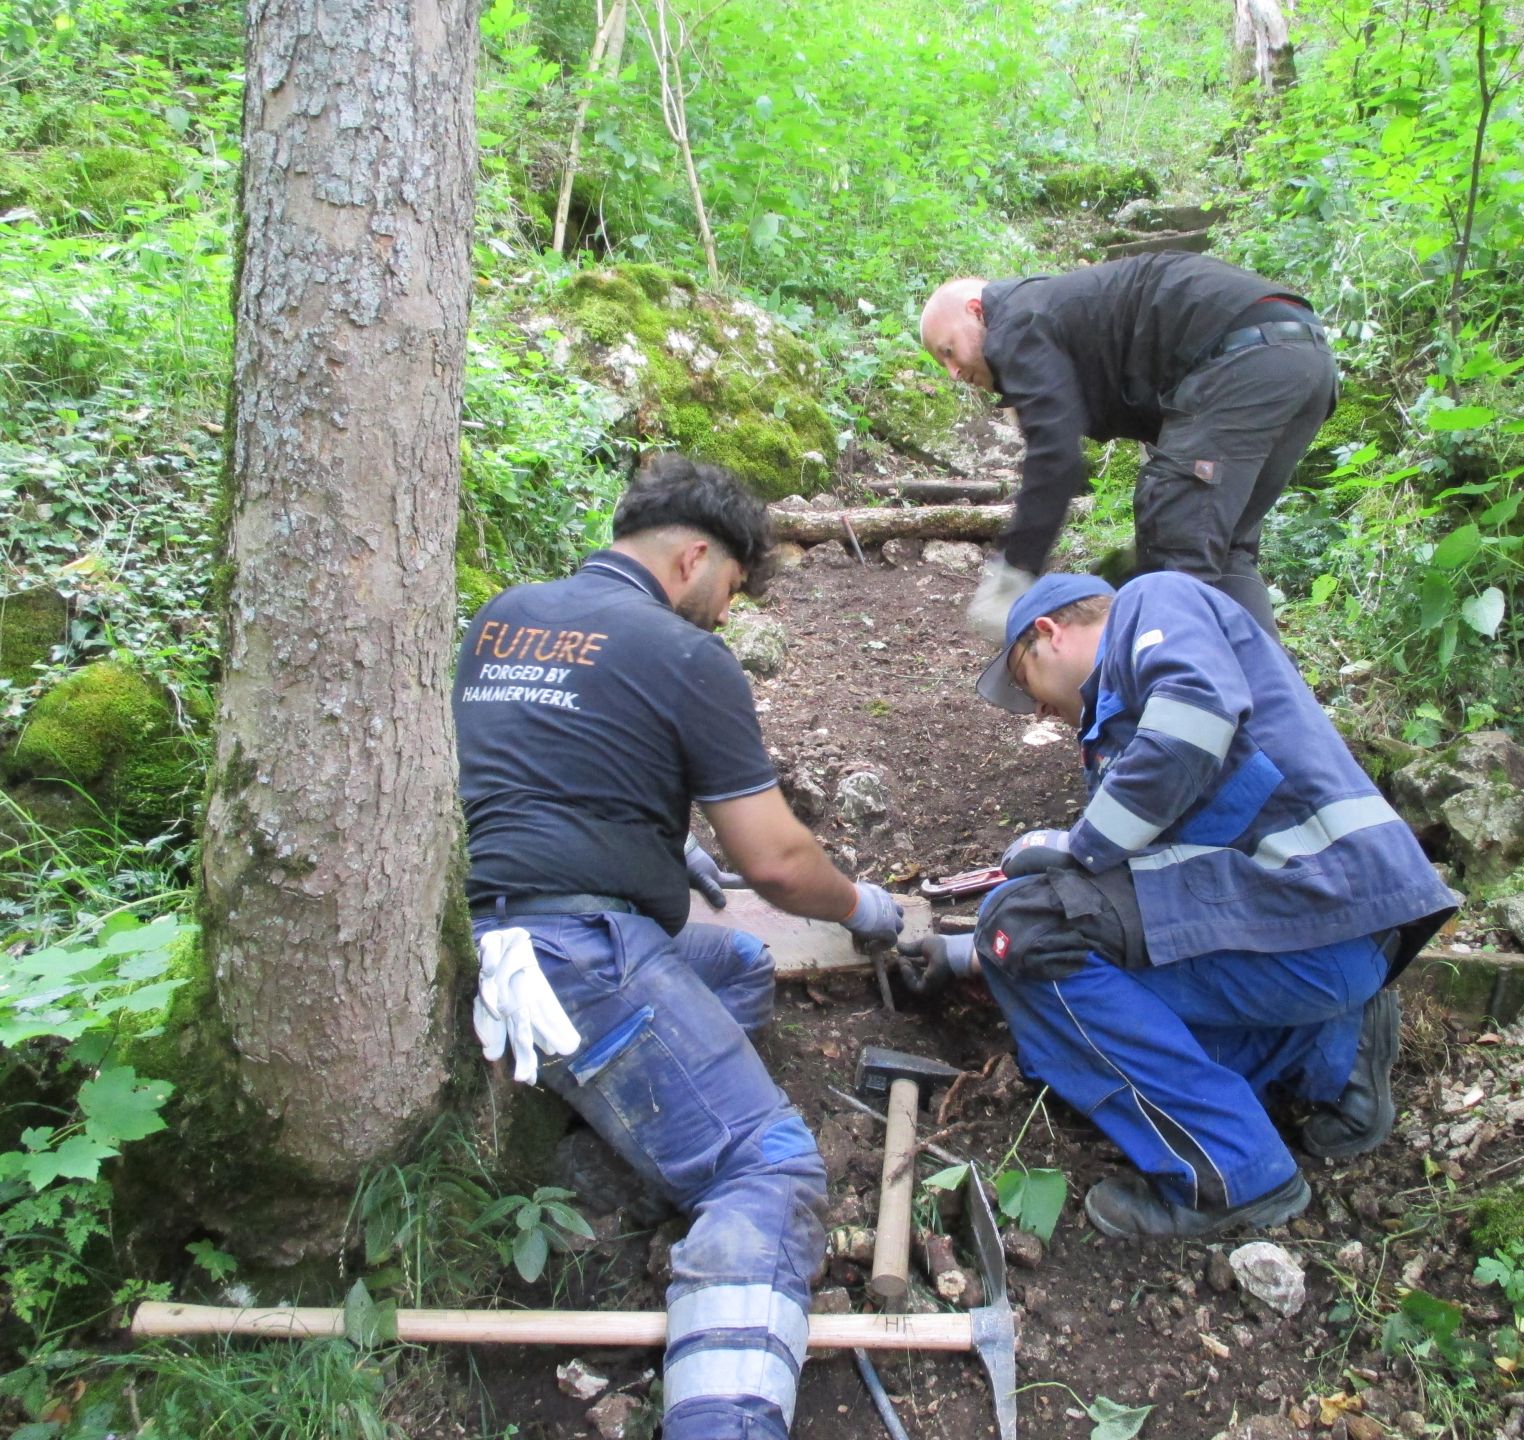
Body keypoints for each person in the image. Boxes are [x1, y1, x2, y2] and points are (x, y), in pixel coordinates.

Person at [453, 455, 905, 1440]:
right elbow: (779, 865)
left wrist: (659, 851)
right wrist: (864, 908)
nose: (723, 613)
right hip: (580, 954)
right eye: (731, 591)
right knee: (770, 1168)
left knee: (738, 963)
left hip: (482, 935)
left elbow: (546, 764)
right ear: (695, 557)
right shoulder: (685, 654)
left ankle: (642, 1130)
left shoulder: (503, 616)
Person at [896, 571, 1456, 1240]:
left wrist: (1075, 852)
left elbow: (1193, 720)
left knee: (1026, 929)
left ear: (1049, 632)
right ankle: (1331, 1056)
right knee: (1075, 1028)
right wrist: (965, 955)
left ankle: (1234, 1175)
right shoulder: (1127, 727)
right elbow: (1135, 903)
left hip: (1310, 913)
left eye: (1024, 682)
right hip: (1334, 933)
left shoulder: (1151, 602)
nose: (1039, 712)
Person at [918, 251, 1339, 645]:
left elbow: (1056, 455)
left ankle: (1171, 712)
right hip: (1304, 360)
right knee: (1224, 552)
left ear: (977, 310)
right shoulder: (1062, 313)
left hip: (1243, 358)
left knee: (1176, 552)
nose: (953, 372)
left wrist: (1015, 574)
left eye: (949, 351)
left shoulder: (1015, 320)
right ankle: (1279, 712)